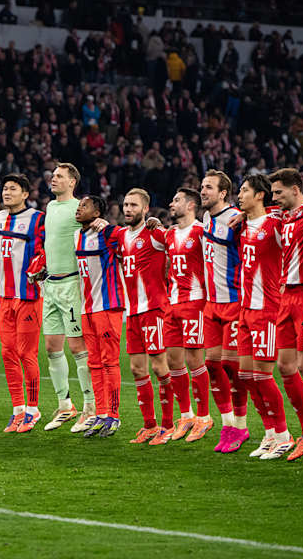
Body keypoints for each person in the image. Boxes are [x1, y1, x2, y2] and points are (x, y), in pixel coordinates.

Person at [268, 168, 303, 461]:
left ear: (295, 189)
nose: (275, 198)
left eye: (279, 192)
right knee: (285, 366)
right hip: (284, 295)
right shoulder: (282, 216)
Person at [235, 174, 294, 459]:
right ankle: (269, 434)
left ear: (260, 195)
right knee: (246, 375)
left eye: (245, 191)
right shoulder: (244, 224)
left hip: (267, 310)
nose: (240, 195)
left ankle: (284, 435)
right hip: (245, 311)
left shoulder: (275, 224)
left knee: (263, 375)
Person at [40, 163, 95, 433]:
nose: (54, 178)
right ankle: (65, 405)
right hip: (50, 283)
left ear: (72, 181)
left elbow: (96, 226)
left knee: (77, 348)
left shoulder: (78, 209)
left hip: (72, 284)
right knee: (52, 347)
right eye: (53, 175)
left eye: (60, 176)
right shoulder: (50, 208)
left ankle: (90, 407)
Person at [153, 188, 209, 446]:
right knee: (174, 361)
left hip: (195, 302)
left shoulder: (201, 232)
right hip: (171, 304)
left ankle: (204, 416)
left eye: (176, 200)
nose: (170, 203)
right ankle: (185, 416)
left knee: (194, 360)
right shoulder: (170, 234)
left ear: (190, 205)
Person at [119, 188, 174, 445]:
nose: (128, 209)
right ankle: (149, 425)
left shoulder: (153, 234)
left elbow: (176, 243)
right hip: (132, 313)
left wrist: (160, 225)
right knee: (136, 368)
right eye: (126, 205)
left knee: (159, 366)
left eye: (133, 205)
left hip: (153, 309)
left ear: (145, 210)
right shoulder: (120, 236)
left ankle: (169, 424)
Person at [0, 174, 45, 433]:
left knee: (27, 354)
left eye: (12, 189)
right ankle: (17, 410)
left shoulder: (37, 219)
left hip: (28, 296)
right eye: (4, 188)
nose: (6, 192)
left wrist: (41, 264)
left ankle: (33, 409)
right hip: (5, 296)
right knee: (7, 353)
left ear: (25, 194)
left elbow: (49, 248)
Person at [73, 195, 125, 438]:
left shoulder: (108, 233)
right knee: (93, 362)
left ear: (97, 213)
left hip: (107, 306)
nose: (79, 208)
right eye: (79, 205)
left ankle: (114, 416)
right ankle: (101, 414)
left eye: (84, 205)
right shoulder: (77, 236)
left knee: (109, 361)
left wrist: (110, 225)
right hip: (87, 308)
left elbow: (130, 236)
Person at [199, 171, 244, 447]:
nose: (203, 191)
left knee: (231, 365)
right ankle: (228, 425)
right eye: (202, 186)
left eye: (209, 187)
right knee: (212, 365)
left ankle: (240, 425)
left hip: (234, 301)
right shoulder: (206, 218)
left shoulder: (237, 219)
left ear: (223, 193)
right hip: (211, 304)